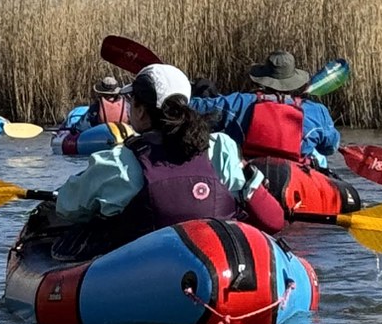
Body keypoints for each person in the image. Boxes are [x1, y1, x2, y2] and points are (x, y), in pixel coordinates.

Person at [42, 63, 286, 256]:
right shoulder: (222, 148)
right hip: (220, 263)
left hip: (143, 274)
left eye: (131, 101)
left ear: (140, 110)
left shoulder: (117, 162)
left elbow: (68, 208)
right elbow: (273, 220)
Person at [189, 50, 341, 167]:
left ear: (263, 79)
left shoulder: (239, 103)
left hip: (250, 175)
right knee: (319, 158)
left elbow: (194, 108)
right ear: (294, 80)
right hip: (297, 180)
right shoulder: (317, 111)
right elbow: (330, 148)